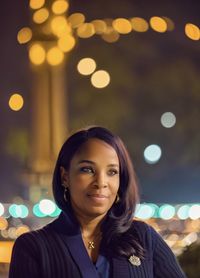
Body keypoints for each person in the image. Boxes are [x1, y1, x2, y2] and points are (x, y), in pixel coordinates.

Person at [9, 126, 186, 278]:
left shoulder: (143, 238)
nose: (101, 182)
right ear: (65, 177)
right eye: (87, 169)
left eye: (112, 172)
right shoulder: (34, 247)